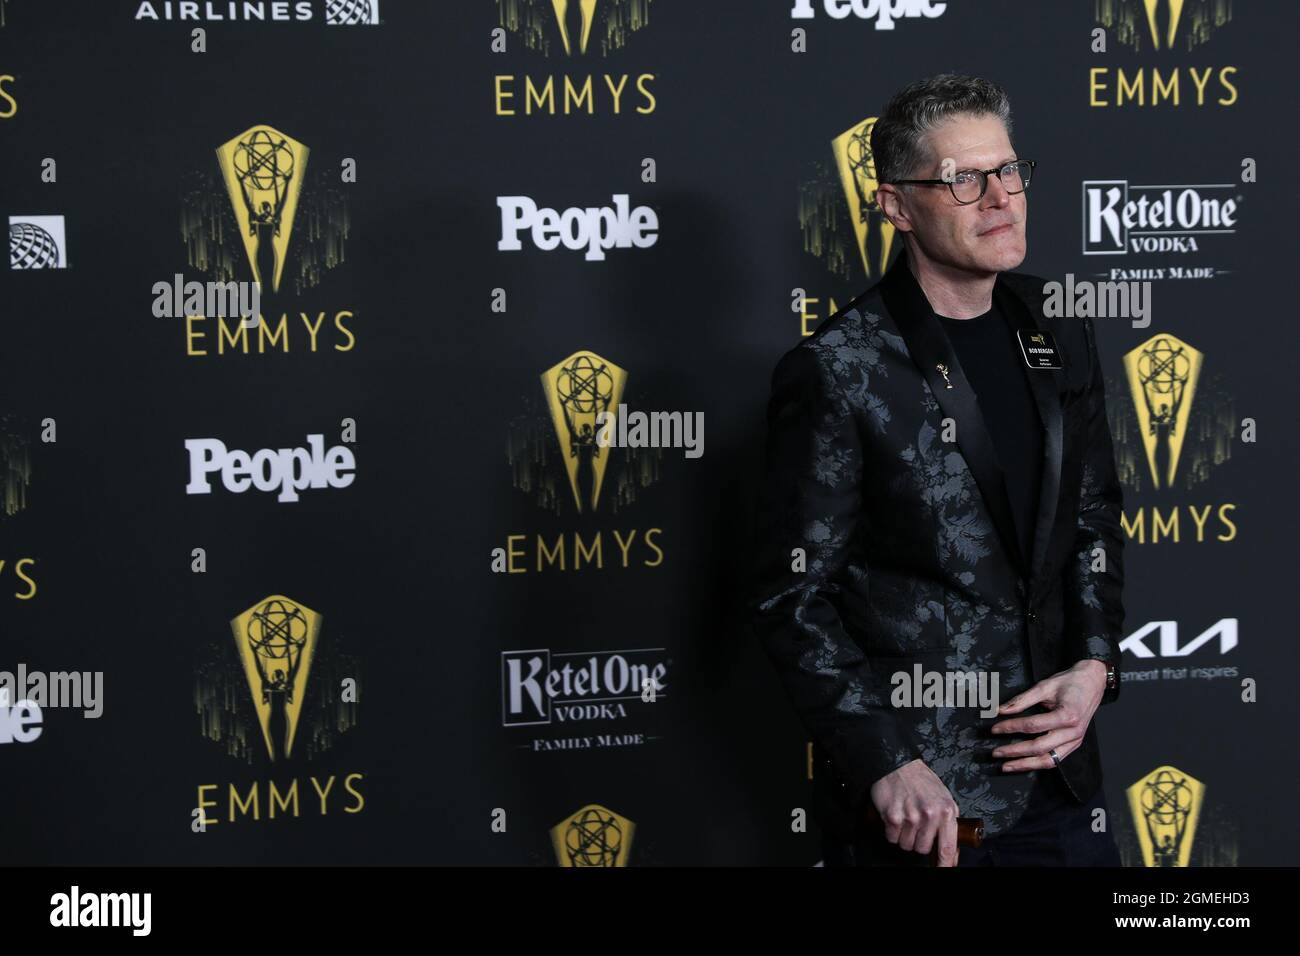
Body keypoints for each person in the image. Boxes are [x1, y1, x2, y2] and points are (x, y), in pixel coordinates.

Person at [750, 74, 1125, 866]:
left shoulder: (1063, 324)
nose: (1000, 198)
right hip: (932, 806)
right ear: (895, 206)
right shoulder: (838, 370)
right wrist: (884, 761)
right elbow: (794, 594)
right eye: (963, 179)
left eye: (1009, 170)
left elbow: (1092, 515)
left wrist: (1094, 664)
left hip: (1062, 785)